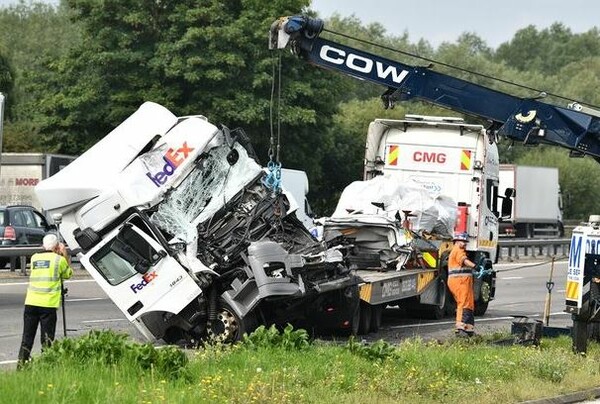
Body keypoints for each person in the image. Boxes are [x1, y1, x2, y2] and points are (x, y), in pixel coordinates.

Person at [18, 233, 72, 366]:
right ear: (56, 247)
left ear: (43, 245)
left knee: (27, 336)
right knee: (47, 338)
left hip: (31, 302)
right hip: (48, 304)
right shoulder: (59, 260)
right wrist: (64, 254)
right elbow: (68, 274)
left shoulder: (35, 258)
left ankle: (21, 365)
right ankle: (46, 365)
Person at [447, 232, 477, 337]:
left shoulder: (460, 250)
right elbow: (464, 260)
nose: (464, 244)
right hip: (458, 282)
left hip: (463, 282)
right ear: (456, 241)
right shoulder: (457, 250)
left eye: (465, 242)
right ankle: (460, 328)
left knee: (469, 303)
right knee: (463, 303)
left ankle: (468, 328)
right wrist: (474, 266)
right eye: (462, 241)